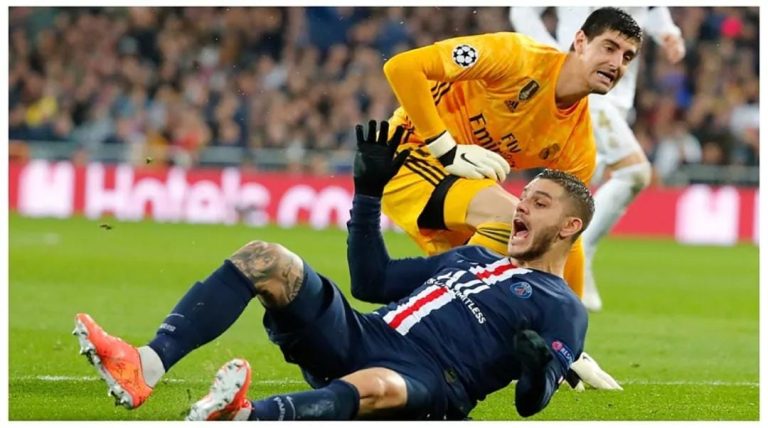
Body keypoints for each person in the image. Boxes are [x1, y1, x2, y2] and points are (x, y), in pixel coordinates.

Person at [73, 121, 610, 420]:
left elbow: (531, 403)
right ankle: (146, 364)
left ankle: (245, 417)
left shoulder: (563, 307)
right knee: (266, 258)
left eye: (539, 204)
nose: (520, 206)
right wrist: (368, 193)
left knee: (378, 384)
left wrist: (535, 367)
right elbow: (371, 283)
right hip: (363, 335)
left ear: (569, 227)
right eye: (525, 196)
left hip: (433, 384)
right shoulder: (473, 257)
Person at [380, 7, 643, 302]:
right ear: (580, 41)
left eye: (627, 57)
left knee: (502, 282)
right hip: (407, 152)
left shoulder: (577, 143)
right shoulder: (518, 56)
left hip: (463, 189)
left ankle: (419, 316)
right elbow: (402, 67)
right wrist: (446, 150)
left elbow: (567, 235)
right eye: (609, 47)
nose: (616, 63)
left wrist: (573, 318)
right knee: (515, 222)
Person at [509, 6, 686, 310]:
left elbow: (652, 9)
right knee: (634, 172)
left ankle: (535, 274)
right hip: (582, 87)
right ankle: (577, 253)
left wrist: (668, 32)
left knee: (575, 189)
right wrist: (554, 55)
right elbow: (522, 10)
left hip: (616, 96)